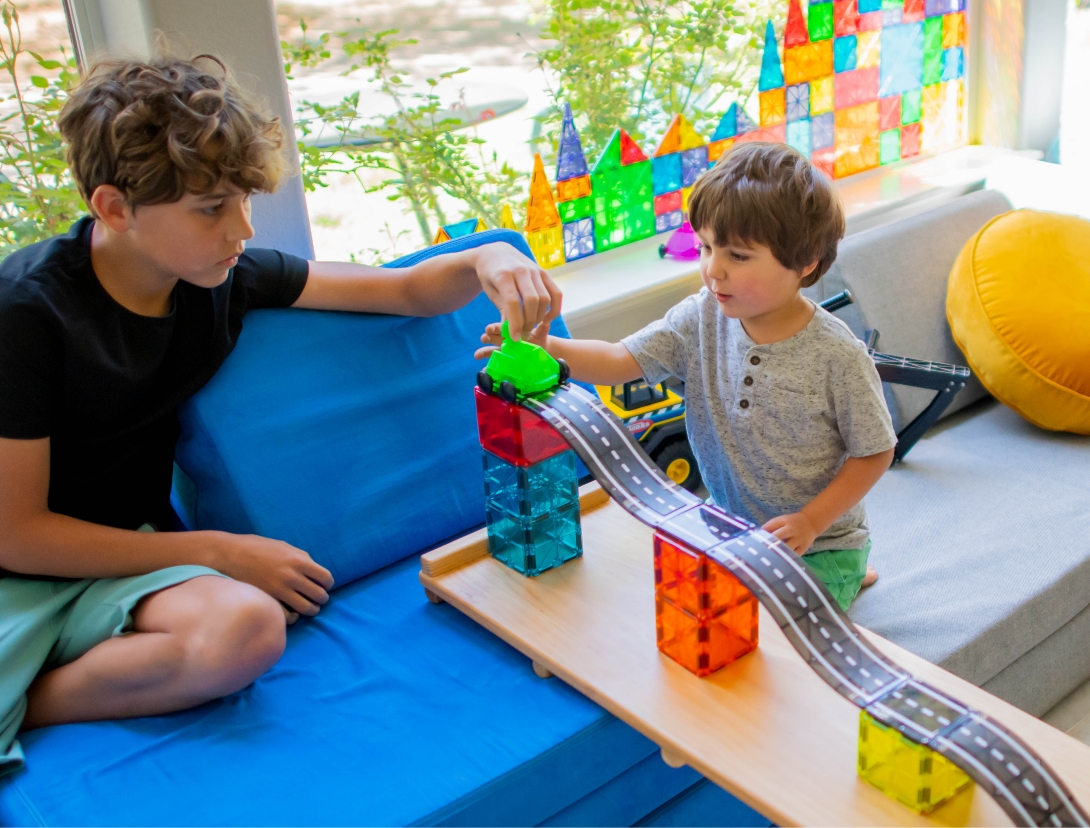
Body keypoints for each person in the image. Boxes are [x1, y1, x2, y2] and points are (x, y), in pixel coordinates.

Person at [0, 54, 560, 769]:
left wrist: (485, 260)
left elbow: (404, 293)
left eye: (243, 200)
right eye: (211, 209)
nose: (240, 229)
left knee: (247, 630)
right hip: (20, 567)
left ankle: (32, 698)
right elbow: (16, 535)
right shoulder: (26, 312)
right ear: (114, 208)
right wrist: (217, 549)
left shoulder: (220, 279)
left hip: (125, 560)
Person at [479, 142, 896, 610]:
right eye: (705, 246)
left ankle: (848, 565)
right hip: (732, 530)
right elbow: (620, 360)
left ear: (806, 264)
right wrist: (546, 347)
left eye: (738, 256)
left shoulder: (837, 355)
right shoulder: (700, 318)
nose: (712, 269)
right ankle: (847, 571)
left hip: (817, 544)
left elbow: (875, 451)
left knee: (775, 637)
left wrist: (812, 523)